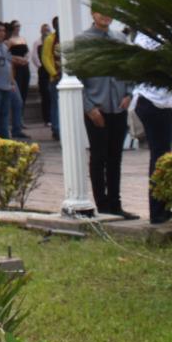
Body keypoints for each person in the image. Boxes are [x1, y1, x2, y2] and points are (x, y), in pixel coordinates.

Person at [76, 12, 135, 218]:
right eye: (101, 12)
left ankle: (115, 204)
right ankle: (102, 205)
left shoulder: (120, 38)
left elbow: (129, 69)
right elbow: (76, 76)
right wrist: (89, 107)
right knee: (98, 156)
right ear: (93, 13)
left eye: (109, 12)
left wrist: (129, 94)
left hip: (118, 106)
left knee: (115, 157)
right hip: (96, 108)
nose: (106, 16)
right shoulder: (83, 41)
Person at [131, 31, 172, 225]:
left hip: (158, 102)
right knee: (160, 156)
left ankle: (162, 207)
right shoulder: (152, 38)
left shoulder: (146, 37)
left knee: (162, 154)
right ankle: (158, 211)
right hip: (156, 103)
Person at [41, 18, 62, 140]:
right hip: (56, 77)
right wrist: (54, 73)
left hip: (68, 75)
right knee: (56, 104)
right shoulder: (50, 39)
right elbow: (46, 58)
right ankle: (56, 128)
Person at [35, 22, 52, 124]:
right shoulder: (39, 46)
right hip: (44, 73)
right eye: (45, 31)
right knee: (45, 96)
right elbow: (40, 59)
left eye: (48, 31)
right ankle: (47, 118)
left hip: (51, 73)